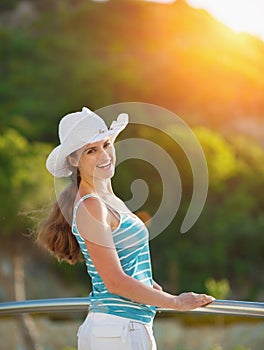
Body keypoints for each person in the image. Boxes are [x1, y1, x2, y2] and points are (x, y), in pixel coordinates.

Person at [37, 107, 214, 350]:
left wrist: (148, 285)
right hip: (118, 330)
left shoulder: (108, 201)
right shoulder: (91, 206)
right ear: (74, 160)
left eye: (106, 144)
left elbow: (122, 266)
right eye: (91, 150)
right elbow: (114, 282)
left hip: (119, 329)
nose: (104, 155)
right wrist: (176, 302)